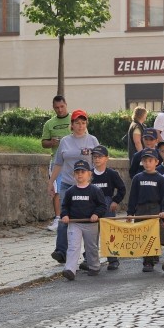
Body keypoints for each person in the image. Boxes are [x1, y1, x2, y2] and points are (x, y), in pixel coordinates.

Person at [48, 109, 99, 264]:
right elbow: (58, 163)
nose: (80, 125)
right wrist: (51, 182)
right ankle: (61, 251)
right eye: (77, 123)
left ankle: (88, 254)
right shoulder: (65, 141)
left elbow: (99, 161)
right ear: (72, 125)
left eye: (83, 123)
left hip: (87, 186)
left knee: (89, 219)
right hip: (68, 185)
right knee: (65, 216)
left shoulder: (92, 141)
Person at [59, 160, 107, 281]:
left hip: (91, 224)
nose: (80, 175)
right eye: (77, 172)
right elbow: (64, 206)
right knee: (73, 246)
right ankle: (70, 269)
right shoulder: (70, 191)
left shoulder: (95, 190)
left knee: (91, 246)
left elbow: (102, 206)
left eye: (83, 172)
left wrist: (96, 214)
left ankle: (94, 266)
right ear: (73, 175)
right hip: (75, 224)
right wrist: (64, 215)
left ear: (89, 174)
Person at [126, 148, 164, 272]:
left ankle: (153, 254)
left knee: (155, 234)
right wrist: (130, 212)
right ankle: (147, 261)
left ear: (156, 162)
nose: (147, 163)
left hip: (156, 209)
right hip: (141, 209)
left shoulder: (161, 179)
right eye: (145, 161)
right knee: (143, 234)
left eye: (150, 160)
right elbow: (133, 196)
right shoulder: (137, 178)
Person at [90, 145, 126, 271]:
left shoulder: (112, 174)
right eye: (94, 157)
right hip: (92, 205)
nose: (97, 159)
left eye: (100, 157)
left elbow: (122, 189)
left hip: (107, 203)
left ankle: (113, 259)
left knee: (110, 233)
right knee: (92, 233)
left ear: (106, 158)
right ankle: (90, 259)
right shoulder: (88, 174)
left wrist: (115, 201)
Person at [41, 95, 72, 231]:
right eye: (56, 108)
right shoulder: (49, 123)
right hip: (56, 161)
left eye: (62, 107)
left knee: (75, 188)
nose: (59, 110)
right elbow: (43, 143)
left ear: (66, 105)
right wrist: (51, 142)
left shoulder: (74, 119)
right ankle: (58, 218)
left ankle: (74, 216)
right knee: (57, 190)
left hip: (72, 160)